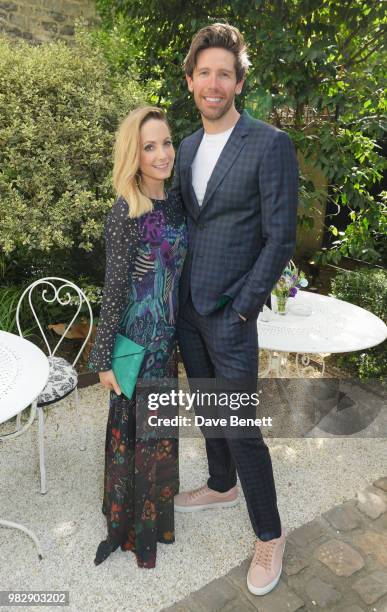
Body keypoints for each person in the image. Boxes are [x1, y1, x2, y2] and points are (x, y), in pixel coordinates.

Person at [172, 24, 299, 595]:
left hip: (231, 314)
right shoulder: (188, 145)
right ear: (191, 80)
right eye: (205, 73)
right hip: (188, 312)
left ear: (240, 81)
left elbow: (280, 238)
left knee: (243, 428)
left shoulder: (269, 144)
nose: (214, 83)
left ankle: (269, 536)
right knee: (208, 409)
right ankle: (220, 484)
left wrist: (244, 309)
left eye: (225, 72)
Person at [88, 106, 187, 569]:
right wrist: (102, 358)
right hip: (137, 347)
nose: (162, 153)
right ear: (135, 153)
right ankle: (129, 528)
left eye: (166, 142)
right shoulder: (126, 211)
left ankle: (157, 521)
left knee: (160, 436)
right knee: (137, 438)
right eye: (150, 146)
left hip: (167, 344)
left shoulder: (177, 201)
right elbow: (112, 290)